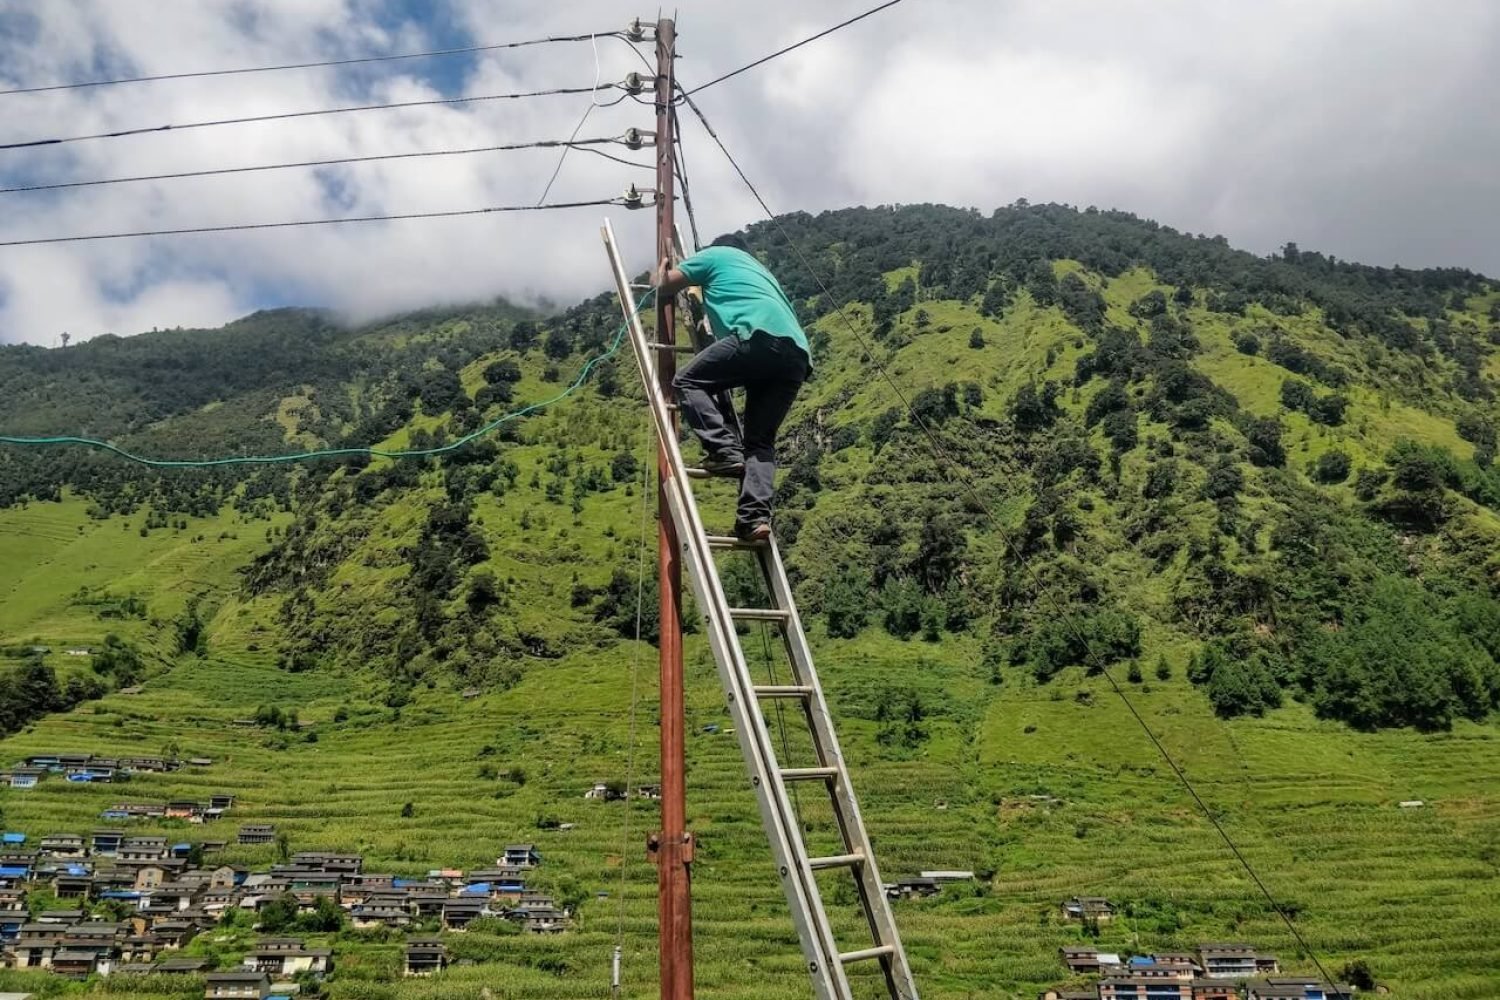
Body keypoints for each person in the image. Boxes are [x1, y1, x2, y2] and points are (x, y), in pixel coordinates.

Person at [657, 233, 811, 542]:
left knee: (686, 382)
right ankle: (754, 520)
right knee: (760, 441)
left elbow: (663, 285)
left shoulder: (716, 255)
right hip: (796, 355)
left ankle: (724, 449)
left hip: (756, 338)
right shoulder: (762, 272)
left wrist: (661, 268)